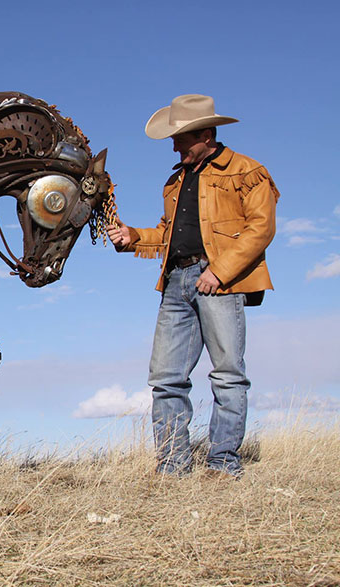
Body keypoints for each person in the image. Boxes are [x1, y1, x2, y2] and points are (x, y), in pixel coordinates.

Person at [108, 94, 280, 478]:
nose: (174, 145)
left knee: (227, 375)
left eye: (181, 138)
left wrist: (219, 271)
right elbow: (168, 234)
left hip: (219, 281)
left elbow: (261, 228)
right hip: (176, 282)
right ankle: (171, 466)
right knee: (165, 379)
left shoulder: (247, 171)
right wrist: (132, 236)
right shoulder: (175, 180)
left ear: (205, 134)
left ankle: (223, 465)